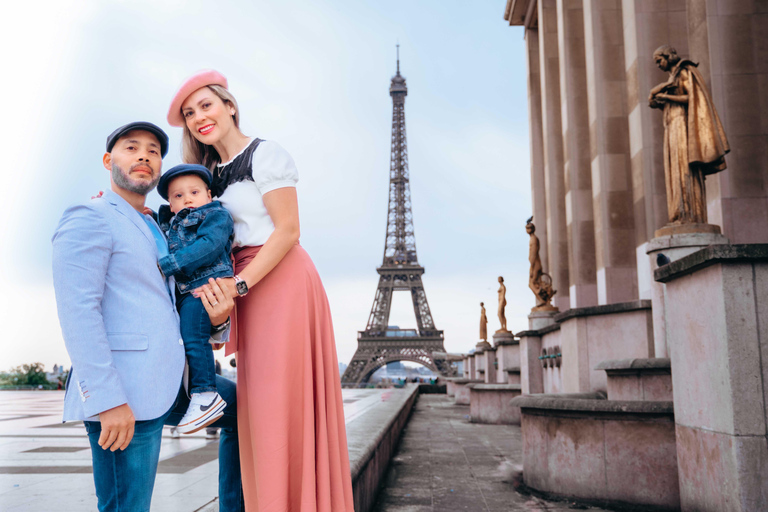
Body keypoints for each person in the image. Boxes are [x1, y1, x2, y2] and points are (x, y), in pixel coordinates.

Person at [167, 70, 354, 511]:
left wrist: (240, 284)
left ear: (230, 105)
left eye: (206, 105)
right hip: (243, 286)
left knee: (277, 402)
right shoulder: (208, 174)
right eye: (190, 114)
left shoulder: (265, 154)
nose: (199, 118)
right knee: (260, 409)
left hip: (279, 278)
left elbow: (288, 230)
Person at [52, 121, 244, 511]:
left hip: (173, 378)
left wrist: (220, 319)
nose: (144, 155)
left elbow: (173, 306)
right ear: (109, 160)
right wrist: (107, 400)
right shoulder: (89, 216)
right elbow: (78, 312)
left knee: (246, 412)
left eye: (153, 151)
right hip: (124, 391)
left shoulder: (163, 227)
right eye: (131, 148)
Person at [156, 163, 235, 434]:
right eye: (178, 196)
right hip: (184, 291)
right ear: (170, 203)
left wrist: (169, 264)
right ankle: (196, 390)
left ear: (209, 195)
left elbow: (209, 246)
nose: (187, 198)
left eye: (194, 192)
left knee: (193, 337)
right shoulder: (170, 223)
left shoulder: (216, 216)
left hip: (204, 287)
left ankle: (205, 394)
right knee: (188, 338)